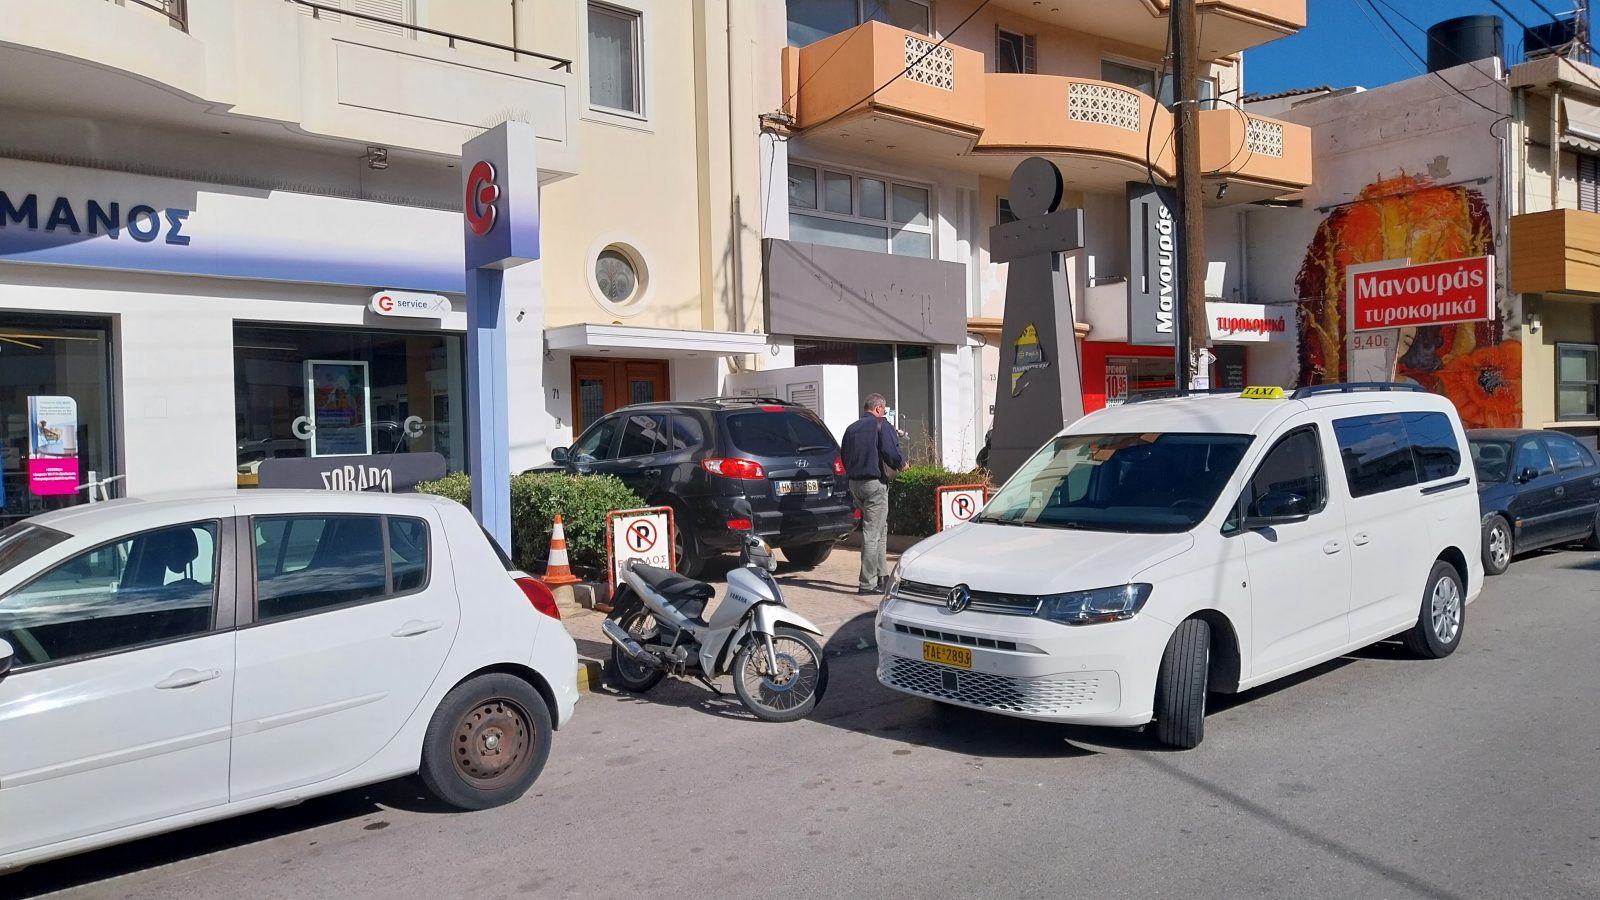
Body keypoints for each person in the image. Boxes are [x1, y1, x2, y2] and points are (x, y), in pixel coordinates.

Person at [840, 393, 906, 595]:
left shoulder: (851, 428)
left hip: (855, 485)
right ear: (878, 409)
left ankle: (882, 576)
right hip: (874, 484)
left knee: (880, 528)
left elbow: (843, 456)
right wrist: (902, 463)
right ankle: (867, 583)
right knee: (871, 533)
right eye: (883, 410)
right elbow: (891, 451)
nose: (883, 413)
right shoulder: (881, 424)